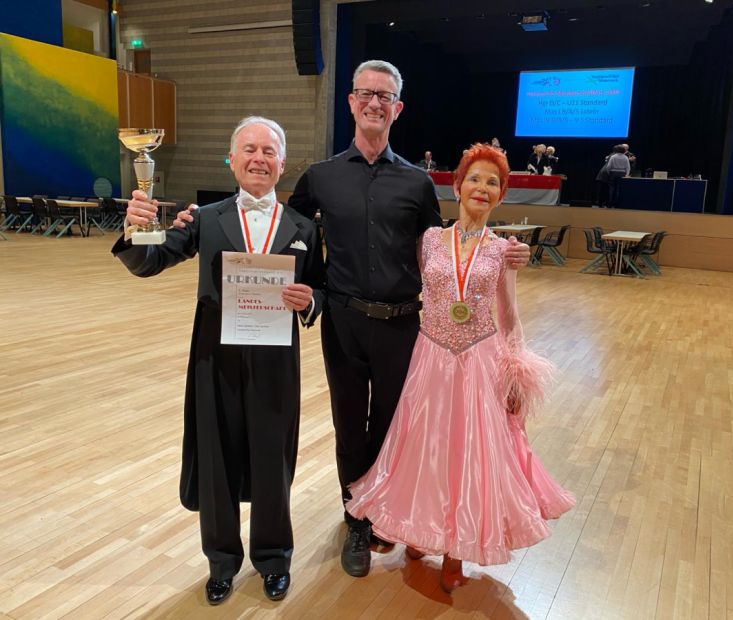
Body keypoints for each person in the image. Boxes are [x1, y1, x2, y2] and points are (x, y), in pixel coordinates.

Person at [174, 60, 530, 580]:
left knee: (390, 426)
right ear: (351, 102)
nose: (375, 103)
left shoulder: (415, 182)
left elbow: (444, 246)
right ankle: (356, 521)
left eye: (385, 96)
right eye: (366, 94)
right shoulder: (319, 177)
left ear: (397, 108)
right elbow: (283, 231)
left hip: (403, 325)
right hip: (342, 323)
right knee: (348, 429)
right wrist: (198, 220)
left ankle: (384, 510)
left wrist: (502, 251)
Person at [113, 116, 325, 606]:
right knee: (217, 457)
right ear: (231, 160)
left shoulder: (302, 228)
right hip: (215, 353)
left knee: (274, 457)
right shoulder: (204, 218)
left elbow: (323, 290)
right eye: (248, 149)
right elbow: (152, 262)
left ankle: (273, 558)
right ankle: (222, 562)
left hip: (276, 357)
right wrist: (136, 228)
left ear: (282, 163)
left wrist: (309, 299)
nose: (258, 158)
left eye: (268, 151)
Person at [346, 143, 575, 593]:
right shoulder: (429, 240)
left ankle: (455, 549)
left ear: (501, 195)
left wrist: (517, 370)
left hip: (480, 362)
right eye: (475, 179)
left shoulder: (505, 250)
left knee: (469, 455)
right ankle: (417, 530)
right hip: (430, 356)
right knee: (424, 450)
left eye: (493, 183)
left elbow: (509, 313)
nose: (482, 188)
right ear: (457, 186)